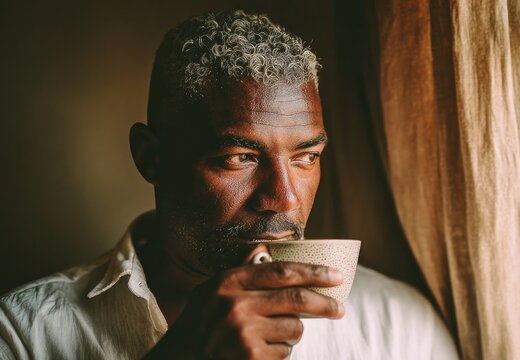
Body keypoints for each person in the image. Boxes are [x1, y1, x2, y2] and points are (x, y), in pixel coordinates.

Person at [0, 10, 457, 360]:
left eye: (305, 157)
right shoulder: (22, 333)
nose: (283, 197)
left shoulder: (398, 326)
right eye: (240, 158)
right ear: (151, 158)